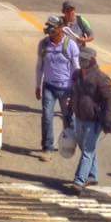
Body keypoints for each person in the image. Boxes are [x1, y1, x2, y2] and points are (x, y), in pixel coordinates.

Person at [69, 47, 111, 195]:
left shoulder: (101, 78)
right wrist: (69, 110)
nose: (81, 62)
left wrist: (110, 119)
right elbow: (73, 93)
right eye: (80, 59)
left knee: (88, 151)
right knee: (85, 148)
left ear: (92, 61)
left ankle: (79, 181)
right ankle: (93, 175)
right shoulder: (77, 74)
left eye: (84, 60)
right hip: (79, 118)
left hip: (94, 121)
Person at [35, 15, 79, 161]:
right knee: (47, 117)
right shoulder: (43, 44)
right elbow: (39, 66)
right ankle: (47, 148)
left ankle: (70, 145)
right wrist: (37, 85)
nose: (50, 32)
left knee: (68, 118)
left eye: (53, 28)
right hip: (48, 87)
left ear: (60, 29)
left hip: (66, 89)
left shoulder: (70, 45)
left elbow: (76, 68)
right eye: (49, 29)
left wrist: (76, 89)